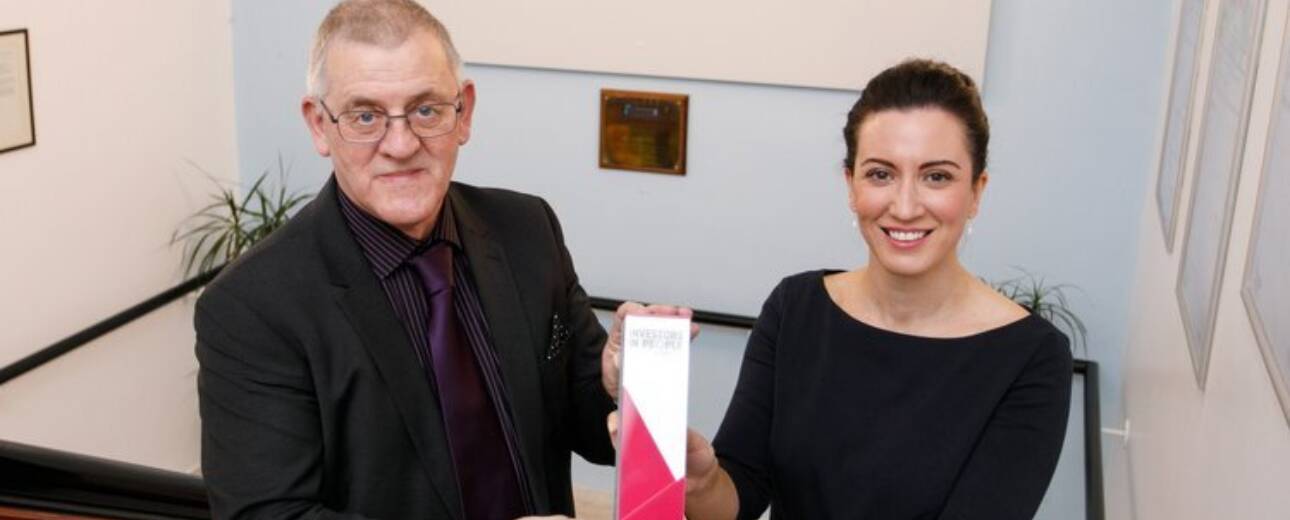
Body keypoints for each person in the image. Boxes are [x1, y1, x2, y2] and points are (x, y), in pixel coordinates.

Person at [194, 1, 690, 518]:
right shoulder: (252, 307)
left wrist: (617, 386)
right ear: (320, 126)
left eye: (426, 109)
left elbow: (587, 422)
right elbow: (270, 515)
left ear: (465, 113)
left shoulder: (527, 229)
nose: (402, 144)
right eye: (365, 116)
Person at [651, 59, 1074, 519]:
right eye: (880, 174)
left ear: (976, 191)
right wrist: (703, 483)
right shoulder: (796, 308)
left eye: (937, 176)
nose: (906, 206)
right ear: (850, 185)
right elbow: (742, 494)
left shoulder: (1031, 356)